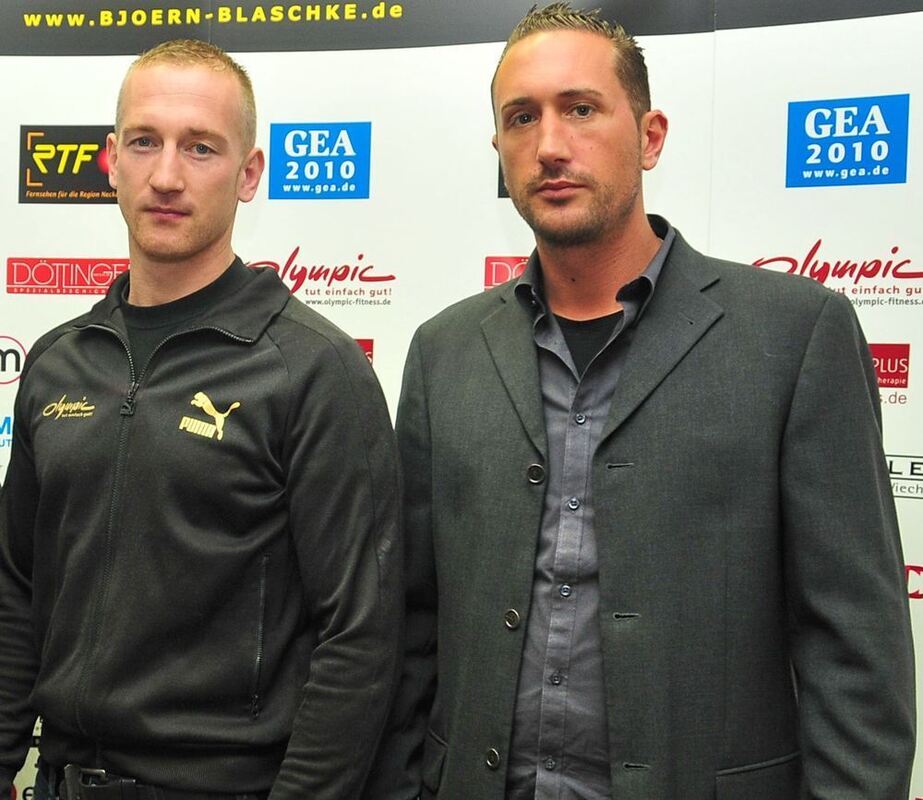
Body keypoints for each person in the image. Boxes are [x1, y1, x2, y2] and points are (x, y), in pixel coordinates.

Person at [363, 4, 915, 799]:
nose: (550, 145)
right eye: (522, 118)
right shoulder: (442, 351)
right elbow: (410, 627)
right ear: (499, 151)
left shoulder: (794, 336)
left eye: (580, 109)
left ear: (650, 136)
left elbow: (854, 648)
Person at [0, 39, 402, 800]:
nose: (166, 175)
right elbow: (16, 590)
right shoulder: (58, 361)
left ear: (249, 174)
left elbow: (359, 636)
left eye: (200, 147)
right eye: (144, 142)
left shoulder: (312, 368)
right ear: (110, 160)